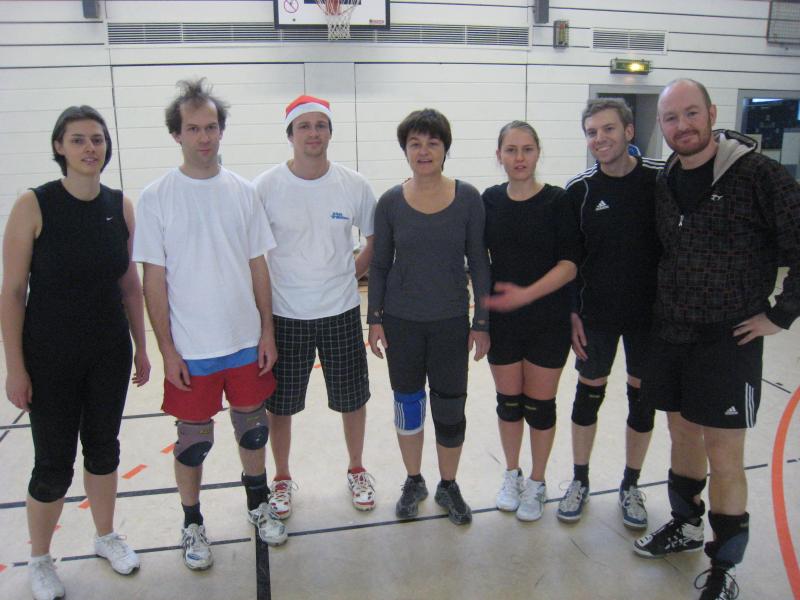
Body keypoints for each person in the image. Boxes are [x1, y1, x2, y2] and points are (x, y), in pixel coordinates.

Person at [633, 79, 800, 600]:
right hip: (671, 332)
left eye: (690, 114)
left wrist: (782, 314)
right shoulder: (665, 179)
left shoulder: (759, 175)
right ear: (662, 126)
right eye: (671, 118)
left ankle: (724, 565)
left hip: (729, 339)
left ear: (711, 112)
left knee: (724, 453)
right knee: (682, 435)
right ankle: (685, 525)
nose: (682, 126)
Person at [133, 79, 287, 572]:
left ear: (222, 131)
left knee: (253, 431)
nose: (204, 137)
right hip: (192, 350)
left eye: (211, 127)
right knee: (193, 442)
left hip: (244, 342)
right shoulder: (156, 197)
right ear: (176, 134)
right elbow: (153, 280)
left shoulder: (243, 192)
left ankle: (258, 505)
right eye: (193, 128)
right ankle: (192, 522)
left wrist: (267, 332)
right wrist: (167, 351)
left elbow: (258, 266)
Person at [1, 105, 150, 600]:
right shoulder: (34, 204)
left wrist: (142, 347)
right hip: (50, 356)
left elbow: (130, 285)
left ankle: (106, 536)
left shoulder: (120, 205)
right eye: (78, 139)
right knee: (53, 463)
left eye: (97, 139)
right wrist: (15, 368)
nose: (90, 148)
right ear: (59, 147)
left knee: (104, 448)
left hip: (108, 351)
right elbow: (12, 292)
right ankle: (40, 559)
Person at [253, 95, 377, 517]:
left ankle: (357, 469)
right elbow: (252, 254)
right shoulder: (265, 187)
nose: (313, 133)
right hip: (286, 315)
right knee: (280, 405)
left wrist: (349, 275)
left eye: (320, 125)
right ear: (290, 134)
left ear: (330, 133)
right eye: (304, 126)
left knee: (352, 398)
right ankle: (282, 477)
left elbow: (375, 240)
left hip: (341, 311)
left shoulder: (353, 184)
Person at [367, 108, 491, 525]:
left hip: (450, 322)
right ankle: (414, 479)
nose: (423, 151)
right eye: (415, 143)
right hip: (401, 323)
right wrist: (375, 318)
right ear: (405, 150)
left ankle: (448, 484)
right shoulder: (390, 202)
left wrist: (482, 322)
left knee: (450, 408)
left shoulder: (468, 198)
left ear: (445, 148)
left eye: (432, 143)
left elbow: (480, 262)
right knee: (408, 405)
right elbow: (379, 265)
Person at [555, 99, 663, 529]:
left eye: (608, 129)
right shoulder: (580, 191)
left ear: (629, 131)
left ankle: (630, 485)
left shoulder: (660, 180)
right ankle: (579, 480)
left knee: (642, 401)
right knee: (588, 396)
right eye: (591, 132)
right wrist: (571, 313)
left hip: (650, 319)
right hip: (595, 316)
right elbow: (569, 260)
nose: (599, 138)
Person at [480, 121, 579, 521]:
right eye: (511, 150)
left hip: (547, 321)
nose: (519, 158)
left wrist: (527, 294)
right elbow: (474, 254)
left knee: (539, 407)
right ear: (499, 155)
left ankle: (537, 481)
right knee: (508, 404)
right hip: (503, 322)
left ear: (538, 152)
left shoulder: (558, 200)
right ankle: (512, 474)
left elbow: (570, 264)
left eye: (527, 149)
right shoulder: (489, 200)